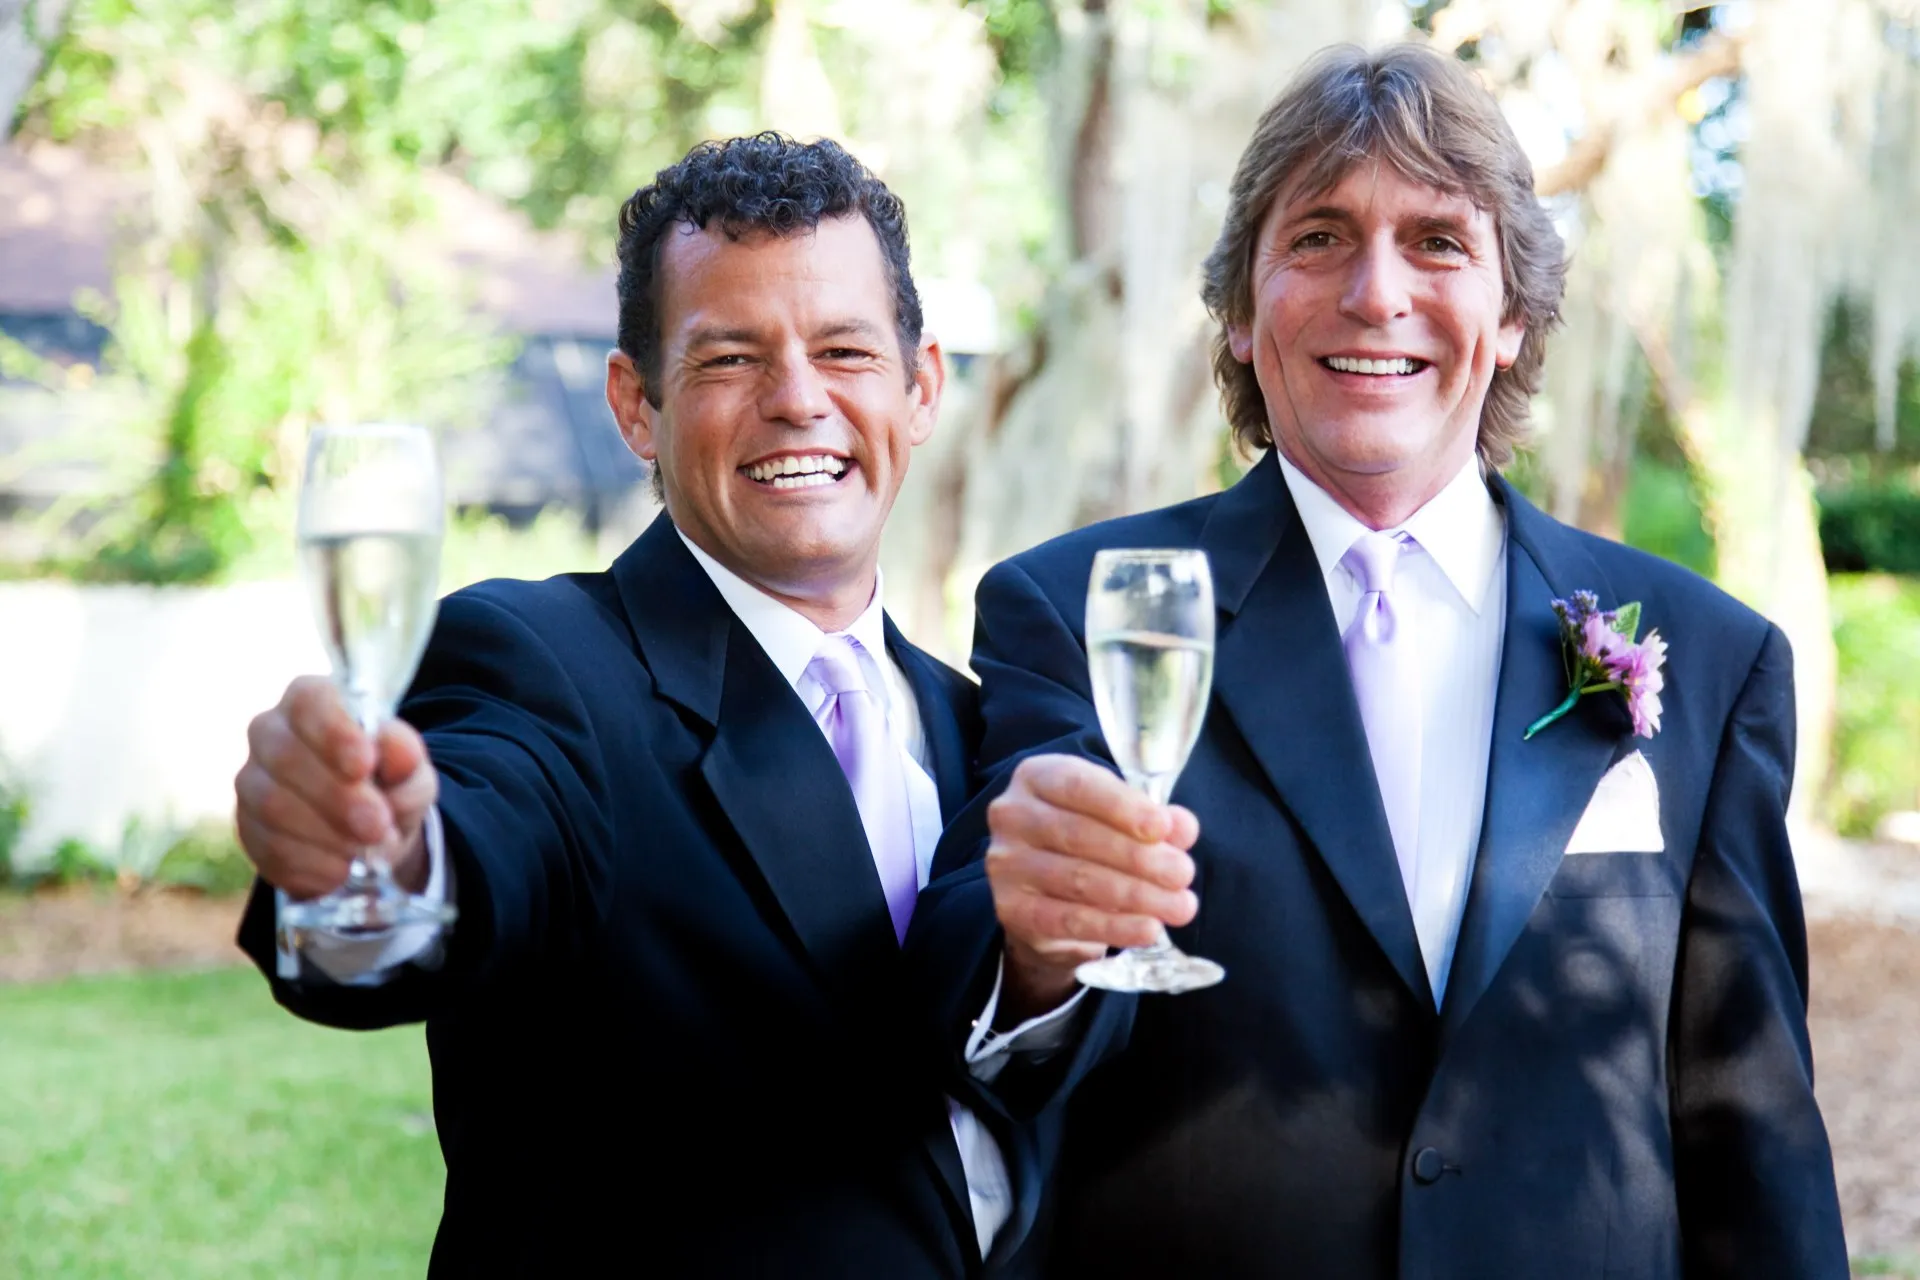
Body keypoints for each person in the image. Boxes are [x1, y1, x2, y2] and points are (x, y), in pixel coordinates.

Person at [925, 44, 1849, 1278]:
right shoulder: (1077, 609)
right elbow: (998, 1014)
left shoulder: (1713, 658)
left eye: (1437, 242)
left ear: (1513, 316)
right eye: (1317, 237)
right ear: (1242, 315)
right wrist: (1033, 952)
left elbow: (1754, 1126)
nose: (1375, 292)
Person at [233, 134, 1034, 1276]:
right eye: (728, 359)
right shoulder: (536, 663)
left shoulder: (983, 728)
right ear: (635, 407)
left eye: (845, 350)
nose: (798, 400)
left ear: (921, 388)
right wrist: (378, 858)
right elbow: (475, 834)